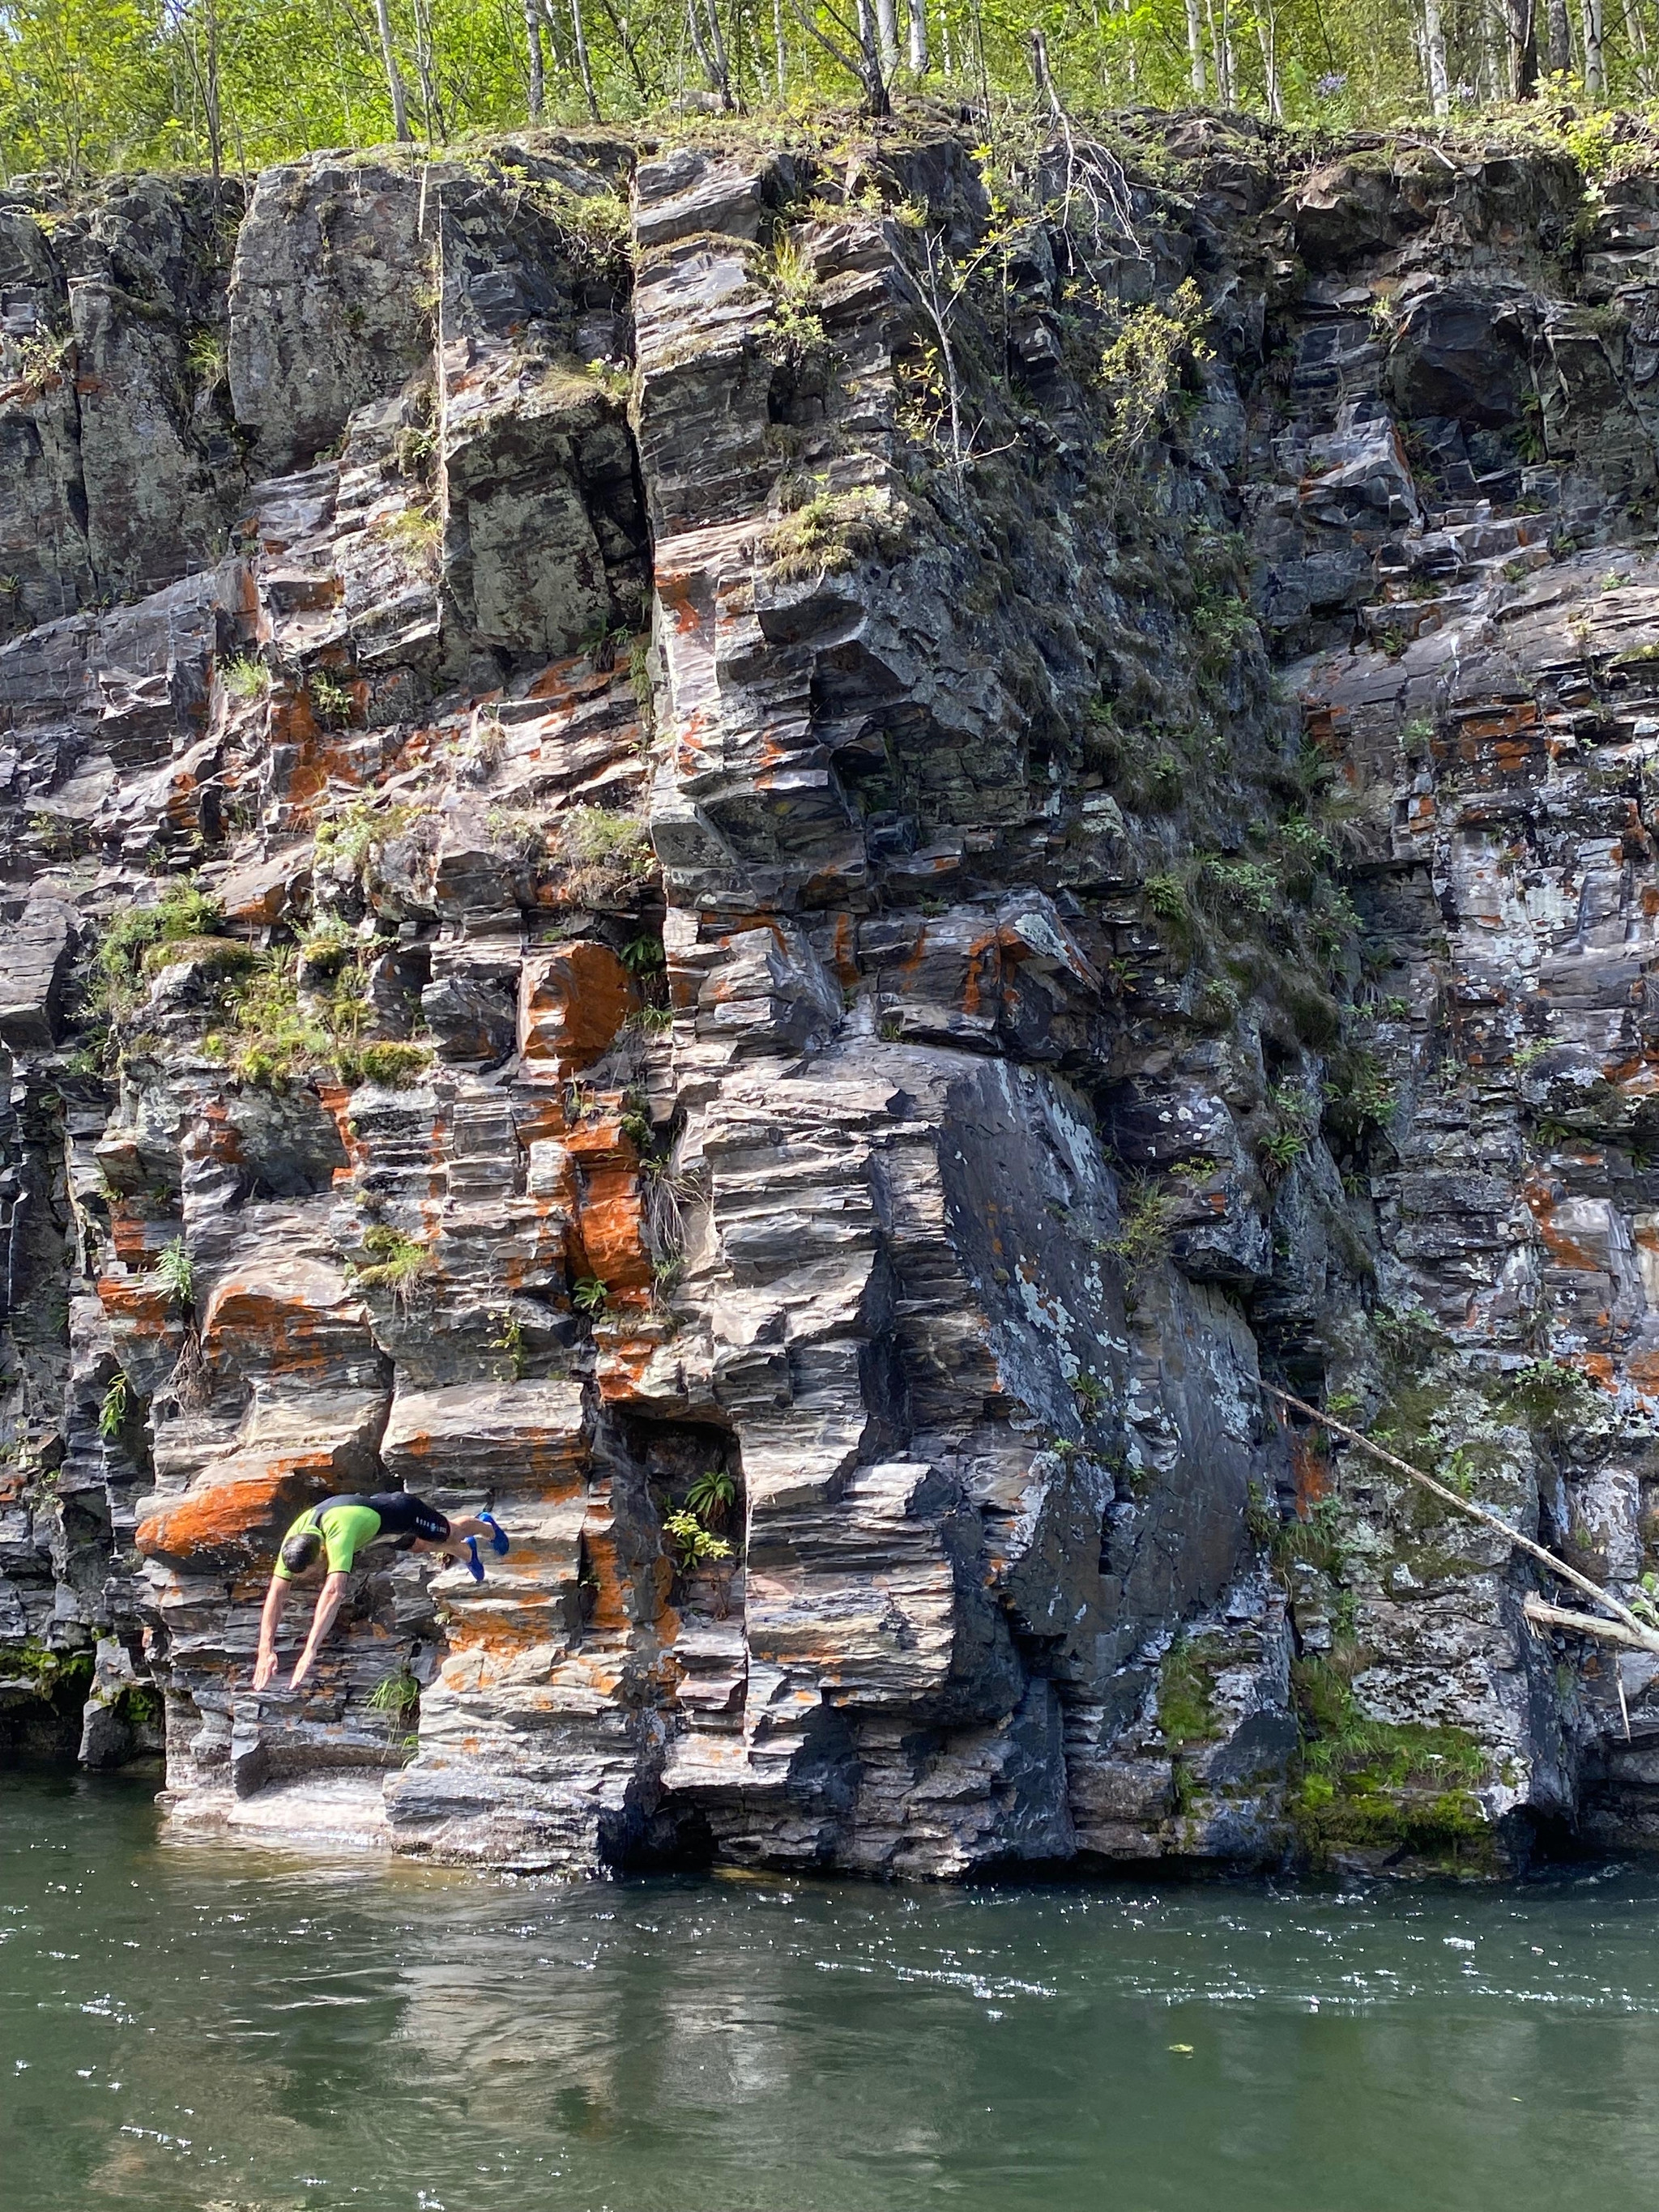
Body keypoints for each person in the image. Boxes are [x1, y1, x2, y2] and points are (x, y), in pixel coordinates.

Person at [253, 1490, 509, 1692]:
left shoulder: (338, 1535)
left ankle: (487, 1528)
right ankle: (468, 1552)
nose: (305, 1580)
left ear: (322, 1553)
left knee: (451, 1535)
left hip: (403, 1513)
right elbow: (276, 1593)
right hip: (379, 1530)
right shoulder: (295, 1540)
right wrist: (265, 1650)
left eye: (308, 1573)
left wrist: (310, 1650)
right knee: (420, 1547)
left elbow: (334, 1593)